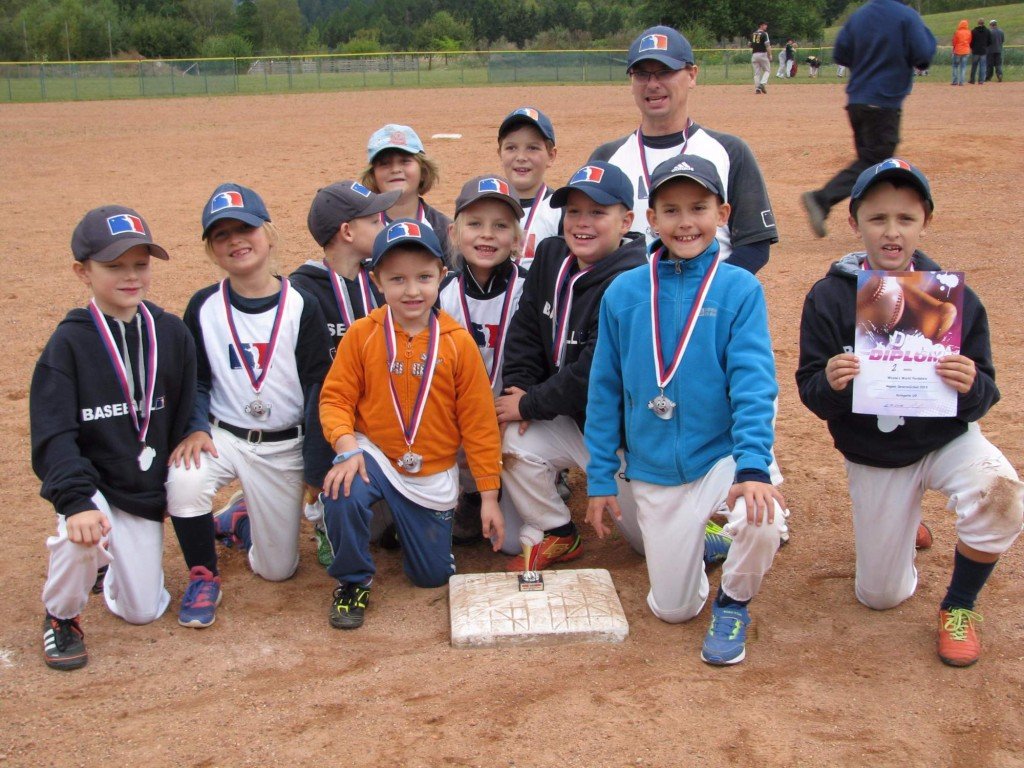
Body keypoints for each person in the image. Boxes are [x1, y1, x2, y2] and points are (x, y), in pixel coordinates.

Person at [796, 158, 1024, 666]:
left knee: (1003, 499)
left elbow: (988, 390)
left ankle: (959, 606)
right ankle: (905, 520)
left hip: (944, 441)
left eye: (906, 218)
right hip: (874, 453)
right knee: (880, 597)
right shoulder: (831, 297)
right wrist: (831, 383)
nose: (892, 232)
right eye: (877, 219)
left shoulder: (947, 297)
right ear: (854, 224)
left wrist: (969, 387)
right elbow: (809, 390)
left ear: (925, 222)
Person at [585, 155, 785, 665]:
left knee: (763, 518)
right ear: (651, 219)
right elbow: (604, 389)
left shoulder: (739, 287)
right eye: (670, 210)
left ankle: (733, 602)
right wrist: (602, 478)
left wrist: (753, 466)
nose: (685, 222)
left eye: (699, 207)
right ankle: (705, 546)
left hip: (718, 456)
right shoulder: (624, 292)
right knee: (672, 610)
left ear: (723, 213)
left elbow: (753, 382)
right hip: (653, 468)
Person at [318, 220, 504, 630]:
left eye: (423, 277)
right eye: (397, 279)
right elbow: (336, 398)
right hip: (374, 456)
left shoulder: (457, 343)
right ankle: (353, 581)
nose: (412, 291)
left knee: (430, 578)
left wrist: (489, 495)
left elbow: (479, 423)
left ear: (441, 275)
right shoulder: (363, 335)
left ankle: (405, 529)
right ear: (377, 281)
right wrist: (346, 446)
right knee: (341, 489)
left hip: (431, 470)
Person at [33, 206, 196, 669]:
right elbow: (53, 435)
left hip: (140, 488)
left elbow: (186, 404)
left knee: (143, 611)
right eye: (113, 266)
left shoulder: (171, 333)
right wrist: (76, 500)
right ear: (82, 272)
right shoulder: (68, 344)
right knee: (78, 536)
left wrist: (196, 429)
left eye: (140, 264)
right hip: (93, 485)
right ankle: (61, 616)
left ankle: (105, 564)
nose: (131, 276)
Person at [166, 183, 332, 628]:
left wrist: (315, 467)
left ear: (269, 234)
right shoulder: (203, 306)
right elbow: (196, 378)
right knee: (185, 479)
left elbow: (318, 386)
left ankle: (240, 518)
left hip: (283, 443)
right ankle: (203, 575)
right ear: (211, 249)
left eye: (246, 229)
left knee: (277, 570)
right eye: (222, 235)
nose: (236, 240)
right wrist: (196, 425)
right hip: (224, 435)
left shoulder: (301, 304)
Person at [495, 161, 647, 569]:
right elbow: (525, 326)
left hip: (620, 439)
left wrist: (529, 404)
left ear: (626, 220)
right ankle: (558, 531)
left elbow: (593, 374)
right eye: (574, 211)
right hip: (571, 422)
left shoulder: (634, 281)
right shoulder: (550, 253)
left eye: (598, 213)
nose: (582, 223)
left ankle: (698, 528)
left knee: (646, 546)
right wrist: (519, 390)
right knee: (514, 442)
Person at [589, 25, 778, 274]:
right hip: (629, 303)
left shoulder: (730, 151)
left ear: (692, 75)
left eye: (665, 72)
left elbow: (754, 246)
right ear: (631, 81)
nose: (653, 84)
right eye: (642, 74)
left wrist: (701, 294)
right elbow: (586, 239)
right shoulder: (606, 159)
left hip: (706, 301)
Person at [289, 180, 400, 564]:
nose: (384, 225)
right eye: (375, 219)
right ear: (347, 232)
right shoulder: (301, 292)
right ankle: (320, 519)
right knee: (321, 396)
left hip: (383, 405)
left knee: (383, 532)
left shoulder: (382, 277)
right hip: (332, 412)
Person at [438, 175, 526, 545]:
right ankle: (467, 496)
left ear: (517, 239)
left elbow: (536, 357)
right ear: (455, 234)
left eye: (500, 226)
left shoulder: (530, 286)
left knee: (510, 544)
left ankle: (523, 489)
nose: (487, 235)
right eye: (475, 224)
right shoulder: (441, 291)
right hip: (458, 411)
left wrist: (523, 397)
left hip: (511, 410)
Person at [800, 0, 935, 238]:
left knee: (870, 162)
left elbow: (840, 53)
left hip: (857, 101)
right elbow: (923, 56)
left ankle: (873, 218)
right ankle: (822, 199)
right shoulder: (907, 16)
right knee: (874, 161)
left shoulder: (859, 15)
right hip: (883, 101)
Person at [360, 123, 454, 265]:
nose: (395, 169)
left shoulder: (443, 229)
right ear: (373, 175)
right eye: (384, 163)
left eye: (405, 161)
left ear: (423, 171)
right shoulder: (360, 228)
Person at [497, 107, 561, 270]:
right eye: (511, 148)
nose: (521, 157)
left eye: (532, 148)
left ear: (551, 156)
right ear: (500, 153)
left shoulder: (561, 210)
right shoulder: (489, 207)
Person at [750, 22, 772, 93]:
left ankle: (757, 89)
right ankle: (762, 83)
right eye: (765, 25)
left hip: (754, 55)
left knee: (757, 73)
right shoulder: (764, 34)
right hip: (762, 54)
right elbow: (767, 45)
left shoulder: (753, 34)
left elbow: (750, 44)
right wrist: (770, 55)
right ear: (761, 26)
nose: (766, 26)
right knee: (767, 70)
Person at [969, 18, 991, 84]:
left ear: (978, 23)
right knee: (983, 66)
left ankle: (972, 80)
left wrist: (972, 47)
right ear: (984, 23)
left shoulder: (973, 31)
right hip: (983, 51)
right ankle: (981, 80)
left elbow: (971, 41)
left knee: (974, 66)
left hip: (975, 51)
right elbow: (990, 41)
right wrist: (985, 46)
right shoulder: (987, 31)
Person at [951, 20, 971, 86]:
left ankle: (955, 81)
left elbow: (954, 42)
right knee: (963, 67)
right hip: (966, 51)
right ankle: (962, 82)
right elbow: (969, 41)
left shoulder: (957, 32)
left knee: (955, 66)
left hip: (958, 51)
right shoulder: (969, 32)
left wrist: (954, 48)